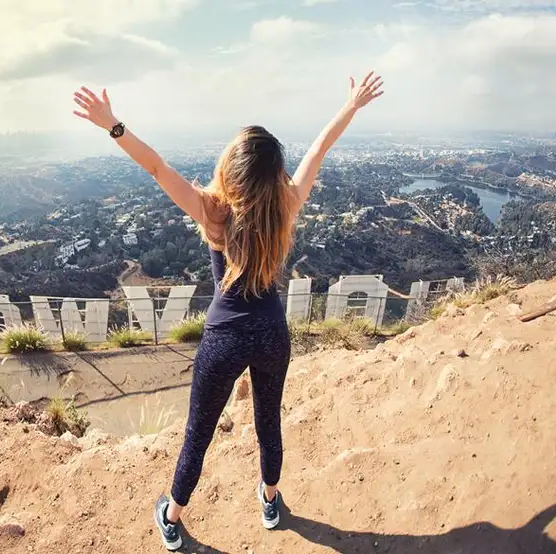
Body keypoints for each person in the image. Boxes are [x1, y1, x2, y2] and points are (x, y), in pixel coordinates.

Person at [72, 71, 384, 551]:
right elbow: (318, 150)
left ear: (230, 171)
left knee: (198, 432)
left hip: (224, 338)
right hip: (272, 335)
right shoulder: (286, 207)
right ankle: (270, 499)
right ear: (274, 175)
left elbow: (156, 167)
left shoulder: (212, 211)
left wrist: (112, 125)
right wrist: (351, 106)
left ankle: (173, 518)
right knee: (269, 421)